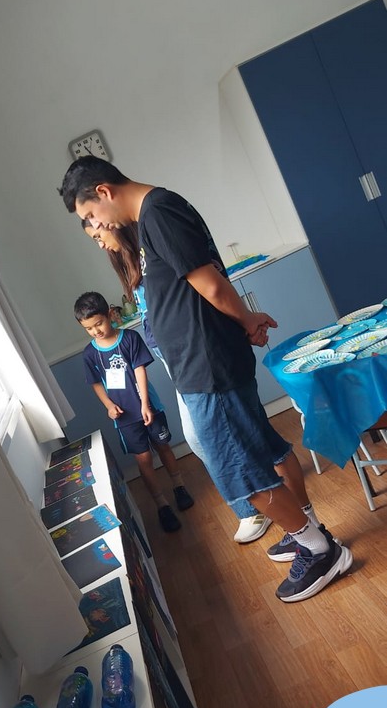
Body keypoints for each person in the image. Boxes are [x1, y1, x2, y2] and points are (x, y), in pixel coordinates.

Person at [60, 157, 353, 603]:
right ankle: (309, 535)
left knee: (240, 472)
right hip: (204, 364)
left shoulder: (158, 212)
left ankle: (319, 551)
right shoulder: (151, 218)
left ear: (103, 192)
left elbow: (210, 285)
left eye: (90, 217)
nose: (97, 227)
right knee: (255, 454)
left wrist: (247, 319)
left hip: (208, 367)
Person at [81, 218, 272, 544]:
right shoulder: (134, 264)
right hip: (173, 355)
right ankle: (264, 493)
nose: (99, 243)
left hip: (193, 352)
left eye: (99, 233)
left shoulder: (155, 239)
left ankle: (255, 503)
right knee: (221, 430)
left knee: (206, 435)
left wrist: (244, 320)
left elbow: (206, 288)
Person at [74, 290, 194, 533]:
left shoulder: (130, 338)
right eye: (89, 328)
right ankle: (161, 504)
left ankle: (179, 486)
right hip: (125, 418)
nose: (96, 331)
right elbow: (96, 383)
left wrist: (145, 404)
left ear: (110, 315)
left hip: (149, 407)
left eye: (99, 323)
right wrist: (109, 406)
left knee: (163, 447)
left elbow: (140, 370)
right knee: (144, 459)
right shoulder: (90, 354)